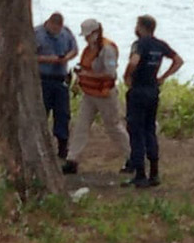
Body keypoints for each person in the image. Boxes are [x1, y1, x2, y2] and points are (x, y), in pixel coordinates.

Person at [62, 19, 131, 175]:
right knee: (81, 126)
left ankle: (132, 157)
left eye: (88, 35)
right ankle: (72, 160)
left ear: (96, 32)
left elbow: (110, 73)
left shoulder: (107, 49)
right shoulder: (89, 49)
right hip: (89, 94)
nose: (86, 39)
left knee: (114, 127)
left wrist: (89, 74)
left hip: (105, 95)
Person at [122, 14, 184, 188]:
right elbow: (178, 61)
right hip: (153, 90)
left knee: (136, 131)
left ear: (141, 27)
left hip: (138, 90)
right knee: (149, 129)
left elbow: (134, 61)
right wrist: (162, 77)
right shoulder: (160, 45)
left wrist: (127, 76)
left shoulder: (139, 44)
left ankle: (140, 174)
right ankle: (154, 173)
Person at [35, 12, 78, 159]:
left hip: (60, 80)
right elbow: (28, 56)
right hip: (43, 79)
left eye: (58, 30)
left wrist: (66, 58)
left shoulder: (66, 33)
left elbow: (74, 50)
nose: (56, 32)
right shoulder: (36, 33)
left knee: (63, 115)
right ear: (49, 23)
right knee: (41, 114)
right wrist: (49, 59)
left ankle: (62, 148)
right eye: (54, 29)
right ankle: (39, 147)